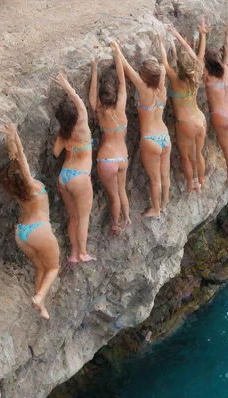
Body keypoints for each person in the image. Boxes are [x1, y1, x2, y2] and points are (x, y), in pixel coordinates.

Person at [0, 119, 60, 319]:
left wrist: (9, 137)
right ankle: (40, 296)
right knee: (53, 267)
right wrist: (15, 134)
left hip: (22, 232)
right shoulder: (32, 185)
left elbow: (14, 158)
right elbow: (20, 156)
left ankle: (39, 304)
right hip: (39, 229)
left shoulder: (15, 189)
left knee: (40, 266)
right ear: (24, 174)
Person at [114, 41, 170, 217]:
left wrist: (117, 47)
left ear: (145, 77)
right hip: (164, 136)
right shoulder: (163, 90)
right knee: (164, 174)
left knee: (154, 180)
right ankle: (165, 202)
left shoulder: (144, 91)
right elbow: (164, 66)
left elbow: (127, 69)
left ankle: (155, 209)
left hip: (150, 140)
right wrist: (161, 44)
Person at [160, 19, 208, 193]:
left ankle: (191, 183)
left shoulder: (176, 80)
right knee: (199, 153)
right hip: (200, 120)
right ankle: (201, 181)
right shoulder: (197, 72)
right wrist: (202, 35)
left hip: (186, 122)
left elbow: (164, 63)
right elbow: (198, 54)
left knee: (187, 157)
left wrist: (161, 40)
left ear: (179, 66)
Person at [52, 71, 95, 263]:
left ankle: (73, 254)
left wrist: (64, 139)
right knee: (84, 216)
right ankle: (83, 253)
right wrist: (66, 85)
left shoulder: (64, 134)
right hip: (80, 176)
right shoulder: (83, 124)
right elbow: (78, 101)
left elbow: (55, 153)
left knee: (73, 217)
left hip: (65, 176)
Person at [89, 41, 130, 234]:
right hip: (123, 158)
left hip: (107, 159)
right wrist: (117, 53)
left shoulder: (100, 112)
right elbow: (122, 82)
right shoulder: (120, 110)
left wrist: (95, 69)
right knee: (121, 191)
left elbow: (91, 98)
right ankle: (127, 218)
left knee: (113, 196)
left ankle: (115, 224)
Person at [204, 20, 228, 182]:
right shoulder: (225, 69)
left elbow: (196, 58)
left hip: (221, 115)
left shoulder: (207, 76)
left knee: (226, 146)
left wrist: (202, 36)